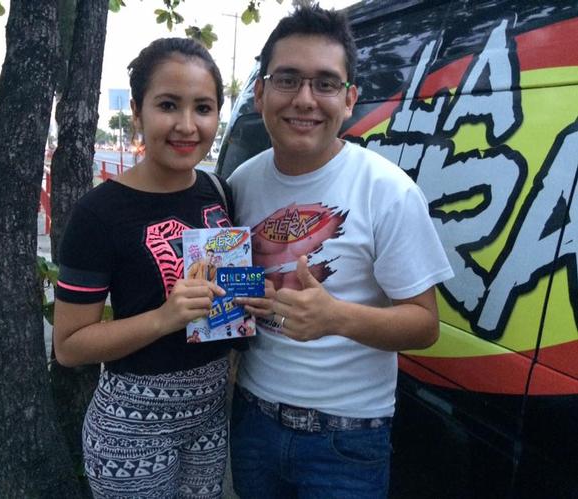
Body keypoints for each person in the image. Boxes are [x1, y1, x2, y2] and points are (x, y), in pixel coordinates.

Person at [228, 6, 454, 498]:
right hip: (252, 423)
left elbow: (425, 325)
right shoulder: (241, 183)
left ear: (349, 99)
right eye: (287, 79)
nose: (305, 99)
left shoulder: (388, 190)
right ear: (260, 92)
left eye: (326, 83)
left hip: (346, 442)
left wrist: (335, 318)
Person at [53, 37, 269, 499]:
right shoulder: (98, 213)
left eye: (203, 108)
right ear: (137, 111)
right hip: (131, 429)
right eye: (168, 105)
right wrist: (165, 318)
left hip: (210, 417)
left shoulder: (219, 191)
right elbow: (69, 347)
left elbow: (227, 303)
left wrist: (250, 303)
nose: (187, 126)